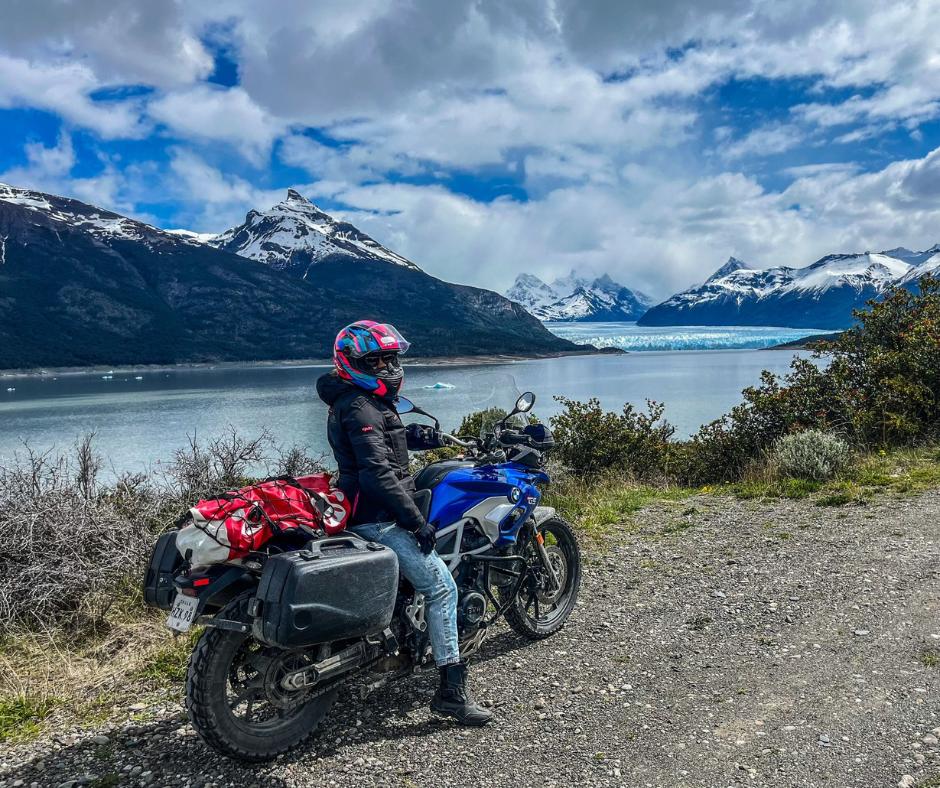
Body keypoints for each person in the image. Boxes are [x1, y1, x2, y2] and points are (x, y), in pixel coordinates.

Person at [315, 320, 493, 727]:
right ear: (352, 363)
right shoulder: (360, 406)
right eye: (377, 361)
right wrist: (414, 522)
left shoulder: (360, 401)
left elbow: (382, 439)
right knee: (442, 588)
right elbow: (377, 473)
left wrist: (426, 438)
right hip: (377, 520)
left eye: (392, 359)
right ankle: (451, 691)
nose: (389, 368)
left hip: (367, 511)